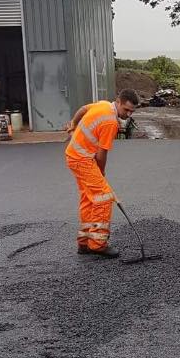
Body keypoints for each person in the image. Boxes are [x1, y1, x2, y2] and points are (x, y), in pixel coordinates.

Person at [65, 89, 139, 258]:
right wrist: (101, 173)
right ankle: (97, 244)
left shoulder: (103, 105)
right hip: (83, 160)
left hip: (74, 156)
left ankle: (84, 242)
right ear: (118, 102)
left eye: (131, 111)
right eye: (126, 109)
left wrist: (73, 124)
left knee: (89, 199)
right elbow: (101, 153)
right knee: (104, 197)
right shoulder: (110, 123)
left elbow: (83, 109)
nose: (128, 114)